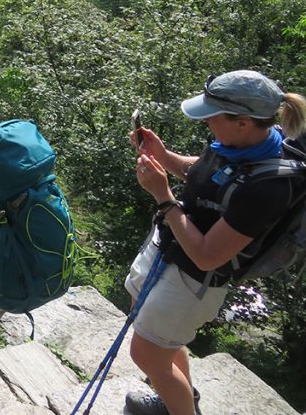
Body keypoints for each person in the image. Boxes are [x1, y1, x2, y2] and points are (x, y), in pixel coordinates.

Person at [124, 70, 306, 415]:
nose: (206, 122)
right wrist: (163, 156)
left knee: (145, 353)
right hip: (170, 247)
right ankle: (176, 397)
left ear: (243, 122)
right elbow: (204, 173)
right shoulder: (240, 144)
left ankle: (181, 409)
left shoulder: (268, 187)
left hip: (194, 279)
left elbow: (207, 256)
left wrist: (163, 196)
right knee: (158, 340)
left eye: (213, 116)